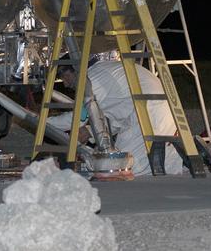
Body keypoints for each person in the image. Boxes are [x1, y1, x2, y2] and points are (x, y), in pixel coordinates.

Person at [48, 59, 185, 177]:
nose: (65, 84)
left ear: (75, 68)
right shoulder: (105, 71)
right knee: (145, 163)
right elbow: (115, 116)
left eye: (64, 76)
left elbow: (78, 118)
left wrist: (42, 123)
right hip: (156, 111)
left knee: (119, 168)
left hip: (150, 114)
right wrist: (90, 132)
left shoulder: (92, 79)